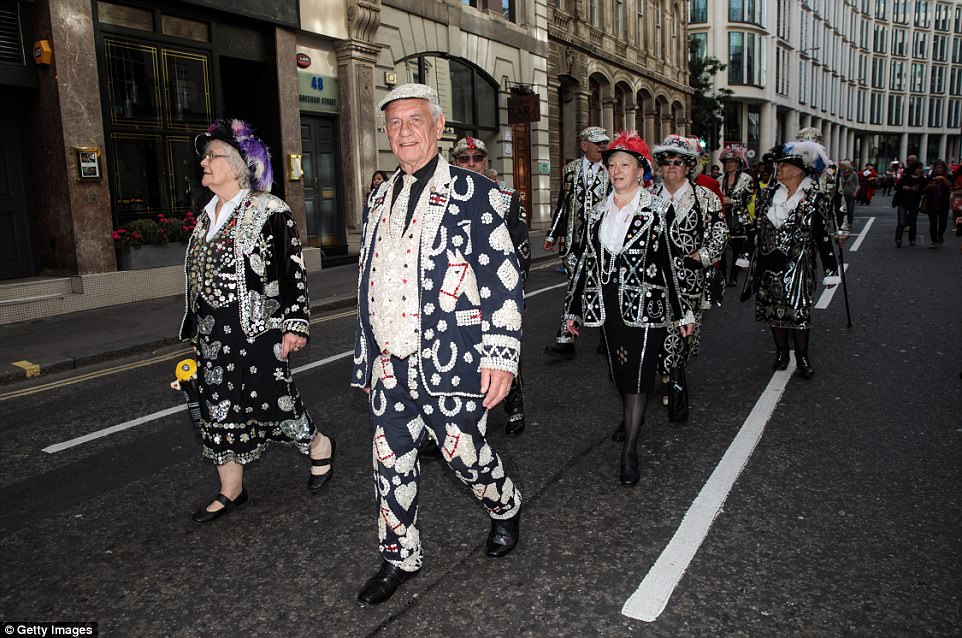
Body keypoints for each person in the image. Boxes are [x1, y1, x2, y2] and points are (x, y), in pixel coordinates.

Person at [352, 84, 524, 605]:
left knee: (464, 456)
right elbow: (368, 280)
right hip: (390, 362)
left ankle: (505, 503)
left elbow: (501, 278)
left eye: (414, 120)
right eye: (394, 123)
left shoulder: (477, 193)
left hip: (451, 358)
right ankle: (399, 553)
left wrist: (500, 353)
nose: (403, 131)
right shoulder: (379, 198)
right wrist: (366, 358)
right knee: (389, 460)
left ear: (438, 125)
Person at [180, 119, 335, 524]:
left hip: (257, 328)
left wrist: (294, 323)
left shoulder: (269, 209)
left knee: (274, 401)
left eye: (211, 155)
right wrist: (196, 332)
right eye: (205, 156)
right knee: (218, 409)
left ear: (235, 165)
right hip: (214, 333)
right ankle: (231, 489)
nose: (204, 162)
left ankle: (318, 446)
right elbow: (197, 278)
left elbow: (291, 269)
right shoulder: (205, 216)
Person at [562, 130, 695, 486]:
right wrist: (572, 311)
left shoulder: (657, 211)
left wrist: (684, 312)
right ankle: (628, 419)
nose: (617, 170)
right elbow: (584, 265)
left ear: (641, 172)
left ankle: (630, 451)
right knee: (618, 373)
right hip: (605, 307)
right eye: (612, 164)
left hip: (646, 309)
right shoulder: (595, 214)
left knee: (637, 375)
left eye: (625, 164)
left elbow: (671, 264)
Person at [451, 135, 530, 435]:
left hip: (498, 293)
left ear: (486, 161)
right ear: (455, 162)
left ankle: (514, 407)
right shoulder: (445, 199)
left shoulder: (507, 198)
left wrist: (514, 298)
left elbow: (522, 252)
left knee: (506, 350)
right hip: (459, 295)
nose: (471, 164)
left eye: (477, 158)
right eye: (463, 159)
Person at [742, 140, 840, 379]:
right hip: (768, 263)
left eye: (783, 166)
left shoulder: (814, 199)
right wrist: (745, 255)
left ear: (798, 170)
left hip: (798, 265)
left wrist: (831, 270)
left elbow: (822, 237)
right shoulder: (766, 196)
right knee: (773, 310)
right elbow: (755, 228)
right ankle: (782, 353)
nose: (778, 169)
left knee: (798, 311)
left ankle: (802, 357)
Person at [650, 133, 728, 421]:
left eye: (678, 162)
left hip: (689, 281)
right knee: (658, 331)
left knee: (683, 332)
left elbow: (721, 232)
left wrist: (703, 256)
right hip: (654, 281)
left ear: (688, 166)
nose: (672, 167)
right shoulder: (647, 197)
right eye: (667, 162)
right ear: (659, 166)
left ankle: (674, 378)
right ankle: (664, 372)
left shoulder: (705, 198)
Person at [543, 126, 611, 360]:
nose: (602, 148)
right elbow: (563, 204)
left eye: (604, 144)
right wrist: (552, 234)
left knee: (603, 287)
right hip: (575, 242)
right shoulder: (570, 170)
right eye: (598, 144)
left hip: (603, 243)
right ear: (585, 146)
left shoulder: (611, 169)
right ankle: (565, 339)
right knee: (574, 288)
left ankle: (607, 336)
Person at [717, 147, 755, 286]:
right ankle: (722, 275)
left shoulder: (747, 179)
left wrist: (731, 201)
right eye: (727, 162)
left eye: (732, 162)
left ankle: (733, 276)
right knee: (720, 249)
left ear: (738, 163)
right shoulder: (720, 180)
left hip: (740, 219)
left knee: (738, 250)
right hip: (723, 218)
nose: (729, 165)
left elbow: (748, 199)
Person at [894, 161, 926, 247]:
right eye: (919, 168)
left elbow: (924, 190)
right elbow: (897, 187)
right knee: (901, 221)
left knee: (912, 222)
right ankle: (898, 239)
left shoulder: (922, 180)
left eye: (921, 169)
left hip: (914, 202)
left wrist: (918, 190)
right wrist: (904, 187)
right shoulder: (905, 178)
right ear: (914, 169)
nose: (920, 170)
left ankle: (912, 239)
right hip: (903, 201)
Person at [922, 159, 952, 249]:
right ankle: (934, 241)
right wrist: (930, 185)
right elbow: (923, 189)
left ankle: (940, 235)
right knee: (933, 222)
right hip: (932, 202)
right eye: (936, 168)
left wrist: (943, 179)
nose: (937, 170)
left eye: (939, 167)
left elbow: (950, 185)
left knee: (943, 222)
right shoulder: (930, 177)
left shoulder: (948, 176)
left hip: (943, 202)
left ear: (943, 168)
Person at [838, 160, 860, 230]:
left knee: (850, 210)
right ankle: (842, 223)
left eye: (842, 165)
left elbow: (857, 184)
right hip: (842, 194)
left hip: (850, 194)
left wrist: (855, 192)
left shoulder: (853, 174)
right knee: (842, 210)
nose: (841, 167)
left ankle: (850, 223)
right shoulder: (841, 173)